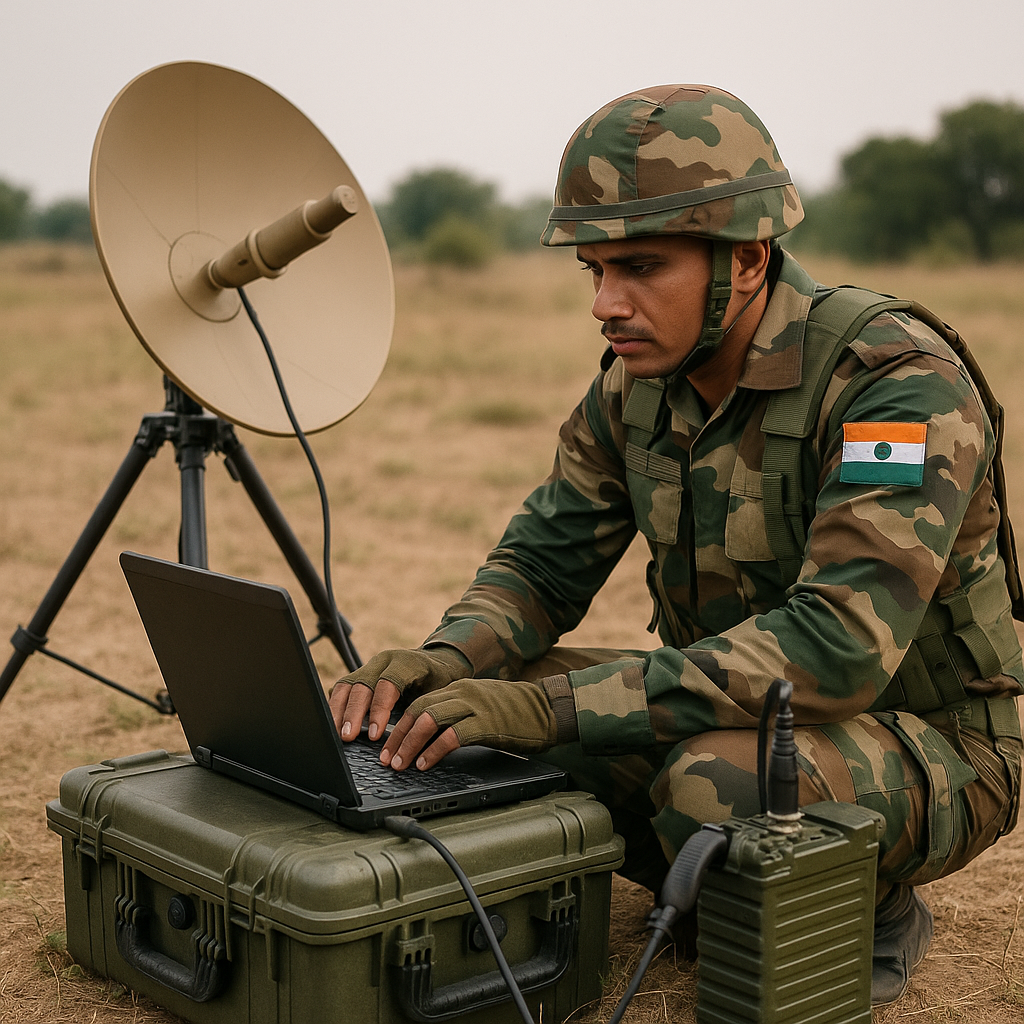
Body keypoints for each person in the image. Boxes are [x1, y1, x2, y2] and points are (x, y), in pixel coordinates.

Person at [328, 84, 1023, 1005]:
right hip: (743, 711)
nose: (606, 304)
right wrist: (441, 661)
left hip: (937, 744)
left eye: (642, 267)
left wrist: (552, 713)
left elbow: (836, 647)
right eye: (595, 271)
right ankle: (706, 872)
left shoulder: (892, 385)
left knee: (711, 785)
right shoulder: (637, 385)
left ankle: (863, 904)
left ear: (748, 258)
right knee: (462, 717)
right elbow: (541, 564)